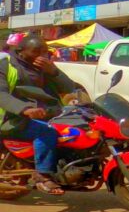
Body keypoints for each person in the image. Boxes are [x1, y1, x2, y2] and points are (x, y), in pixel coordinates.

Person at [0, 33, 76, 195]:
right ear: (20, 51)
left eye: (45, 52)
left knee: (76, 130)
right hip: (11, 118)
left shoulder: (44, 67)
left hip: (46, 114)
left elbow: (69, 88)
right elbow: (1, 94)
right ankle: (42, 175)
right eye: (36, 52)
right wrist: (24, 109)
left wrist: (54, 71)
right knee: (47, 132)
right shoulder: (6, 65)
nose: (41, 56)